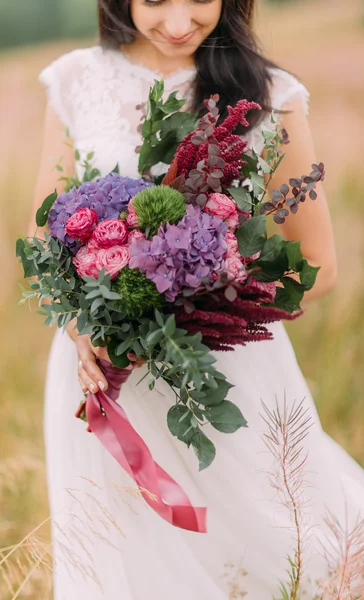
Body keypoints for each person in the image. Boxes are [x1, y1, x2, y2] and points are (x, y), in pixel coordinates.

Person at [28, 1, 364, 597]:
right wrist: (86, 329)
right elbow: (42, 237)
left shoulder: (269, 93)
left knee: (275, 549)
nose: (179, 22)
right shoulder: (78, 79)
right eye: (156, 0)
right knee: (122, 564)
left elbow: (318, 265)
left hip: (217, 372)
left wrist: (184, 316)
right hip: (97, 374)